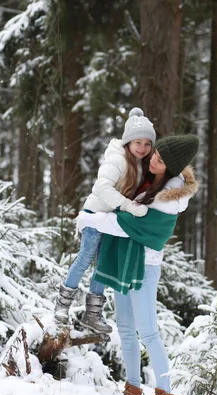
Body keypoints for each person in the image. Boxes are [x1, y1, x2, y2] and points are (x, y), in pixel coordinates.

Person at [77, 134, 200, 395]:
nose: (153, 160)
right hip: (125, 261)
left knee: (148, 332)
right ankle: (132, 389)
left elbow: (125, 224)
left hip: (144, 266)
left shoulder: (169, 199)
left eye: (160, 160)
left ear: (171, 167)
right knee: (125, 329)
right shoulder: (145, 181)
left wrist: (90, 220)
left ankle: (165, 393)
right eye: (155, 154)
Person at [54, 107, 156, 333]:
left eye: (147, 143)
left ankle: (92, 314)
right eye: (138, 142)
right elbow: (101, 187)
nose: (142, 148)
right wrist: (128, 205)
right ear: (128, 142)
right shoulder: (118, 158)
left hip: (112, 220)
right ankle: (62, 307)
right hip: (96, 215)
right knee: (85, 258)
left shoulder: (141, 163)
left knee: (102, 266)